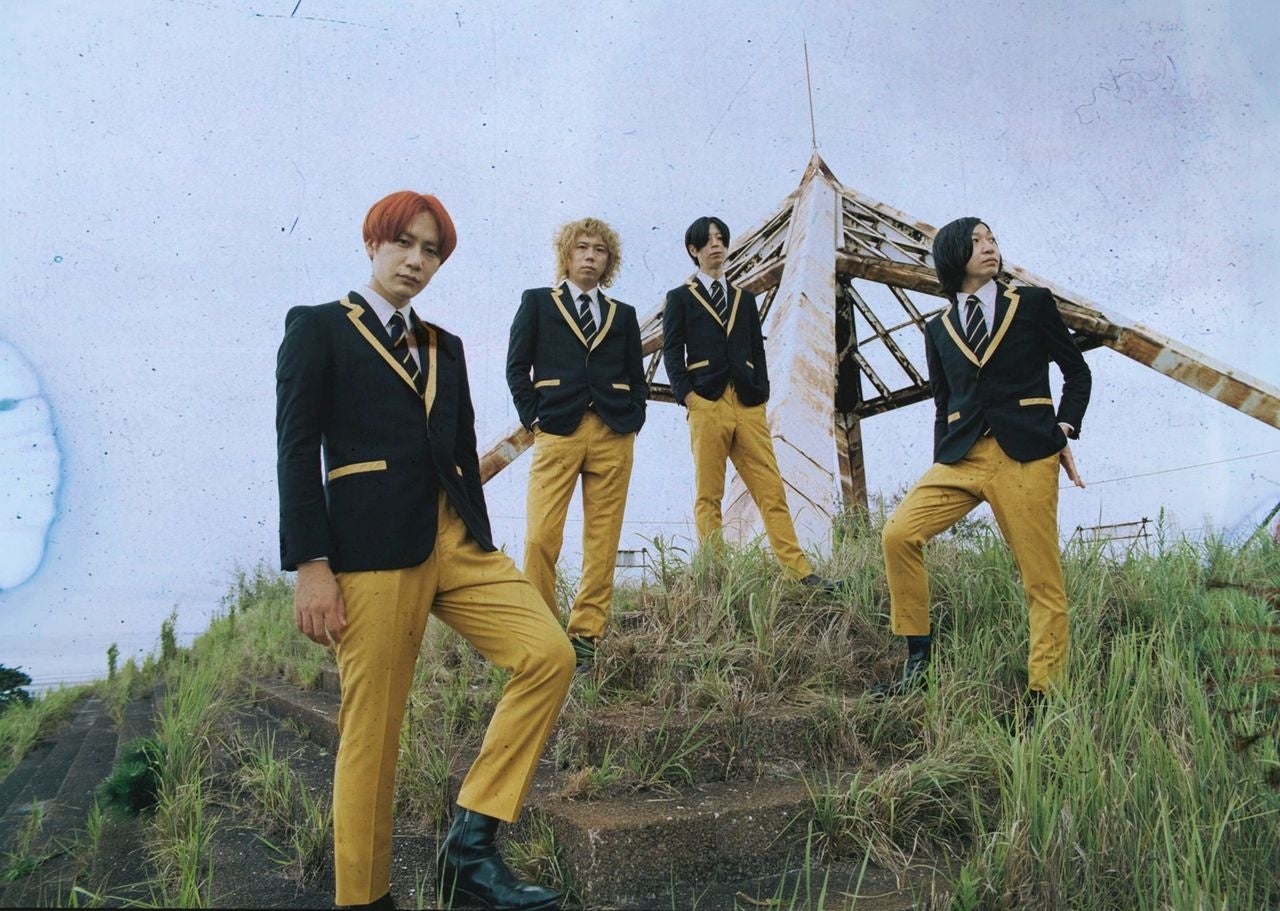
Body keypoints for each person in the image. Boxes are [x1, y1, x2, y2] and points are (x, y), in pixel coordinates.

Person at [276, 190, 573, 911]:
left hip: (458, 539)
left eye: (431, 250)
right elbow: (296, 449)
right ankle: (363, 898)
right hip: (372, 548)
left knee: (548, 654)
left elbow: (458, 451)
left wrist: (481, 516)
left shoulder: (447, 346)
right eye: (404, 242)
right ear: (373, 243)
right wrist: (312, 565)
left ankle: (469, 848)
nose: (416, 260)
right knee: (373, 730)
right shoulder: (319, 327)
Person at [873, 217, 1091, 706]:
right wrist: (941, 457)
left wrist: (1063, 428)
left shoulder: (1031, 304)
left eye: (992, 239)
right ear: (954, 254)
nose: (989, 247)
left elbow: (1077, 373)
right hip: (961, 456)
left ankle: (1043, 697)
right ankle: (918, 663)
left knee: (1041, 578)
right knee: (898, 534)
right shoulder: (938, 328)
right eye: (976, 242)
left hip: (1026, 455)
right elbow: (942, 401)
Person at [662, 216, 841, 593]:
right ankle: (717, 576)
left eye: (721, 238)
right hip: (707, 403)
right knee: (709, 493)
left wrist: (761, 392)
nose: (716, 244)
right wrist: (689, 397)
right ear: (694, 249)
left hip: (747, 404)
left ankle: (800, 573)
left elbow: (757, 350)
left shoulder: (744, 299)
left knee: (771, 489)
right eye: (708, 240)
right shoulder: (679, 298)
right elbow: (672, 353)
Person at [506, 218, 647, 671]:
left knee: (602, 540)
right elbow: (516, 367)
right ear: (566, 254)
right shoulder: (536, 302)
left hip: (613, 432)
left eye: (599, 250)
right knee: (539, 537)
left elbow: (636, 376)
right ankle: (544, 632)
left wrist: (634, 418)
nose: (590, 255)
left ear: (609, 261)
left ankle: (586, 635)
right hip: (557, 430)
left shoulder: (622, 314)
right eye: (582, 247)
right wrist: (533, 418)